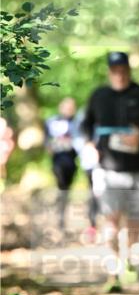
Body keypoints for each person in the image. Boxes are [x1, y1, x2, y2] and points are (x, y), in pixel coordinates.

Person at [81, 51, 139, 293]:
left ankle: (128, 256)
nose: (119, 74)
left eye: (123, 69)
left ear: (129, 70)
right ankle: (114, 270)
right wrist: (90, 144)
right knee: (110, 220)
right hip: (107, 169)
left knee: (133, 222)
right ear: (110, 71)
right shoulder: (99, 95)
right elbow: (86, 124)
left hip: (137, 168)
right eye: (115, 70)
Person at [44, 97, 78, 232]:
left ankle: (61, 216)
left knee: (66, 189)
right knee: (61, 186)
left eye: (71, 107)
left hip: (71, 162)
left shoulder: (78, 123)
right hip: (58, 161)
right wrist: (50, 147)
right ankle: (59, 217)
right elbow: (46, 140)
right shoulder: (52, 121)